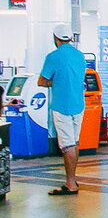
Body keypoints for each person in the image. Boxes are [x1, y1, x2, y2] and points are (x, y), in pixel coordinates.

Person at [38, 24, 87, 196]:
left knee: (66, 145)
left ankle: (70, 183)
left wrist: (54, 82)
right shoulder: (80, 56)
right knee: (74, 142)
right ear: (71, 38)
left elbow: (42, 81)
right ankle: (73, 178)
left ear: (55, 38)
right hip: (79, 105)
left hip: (62, 106)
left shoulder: (53, 56)